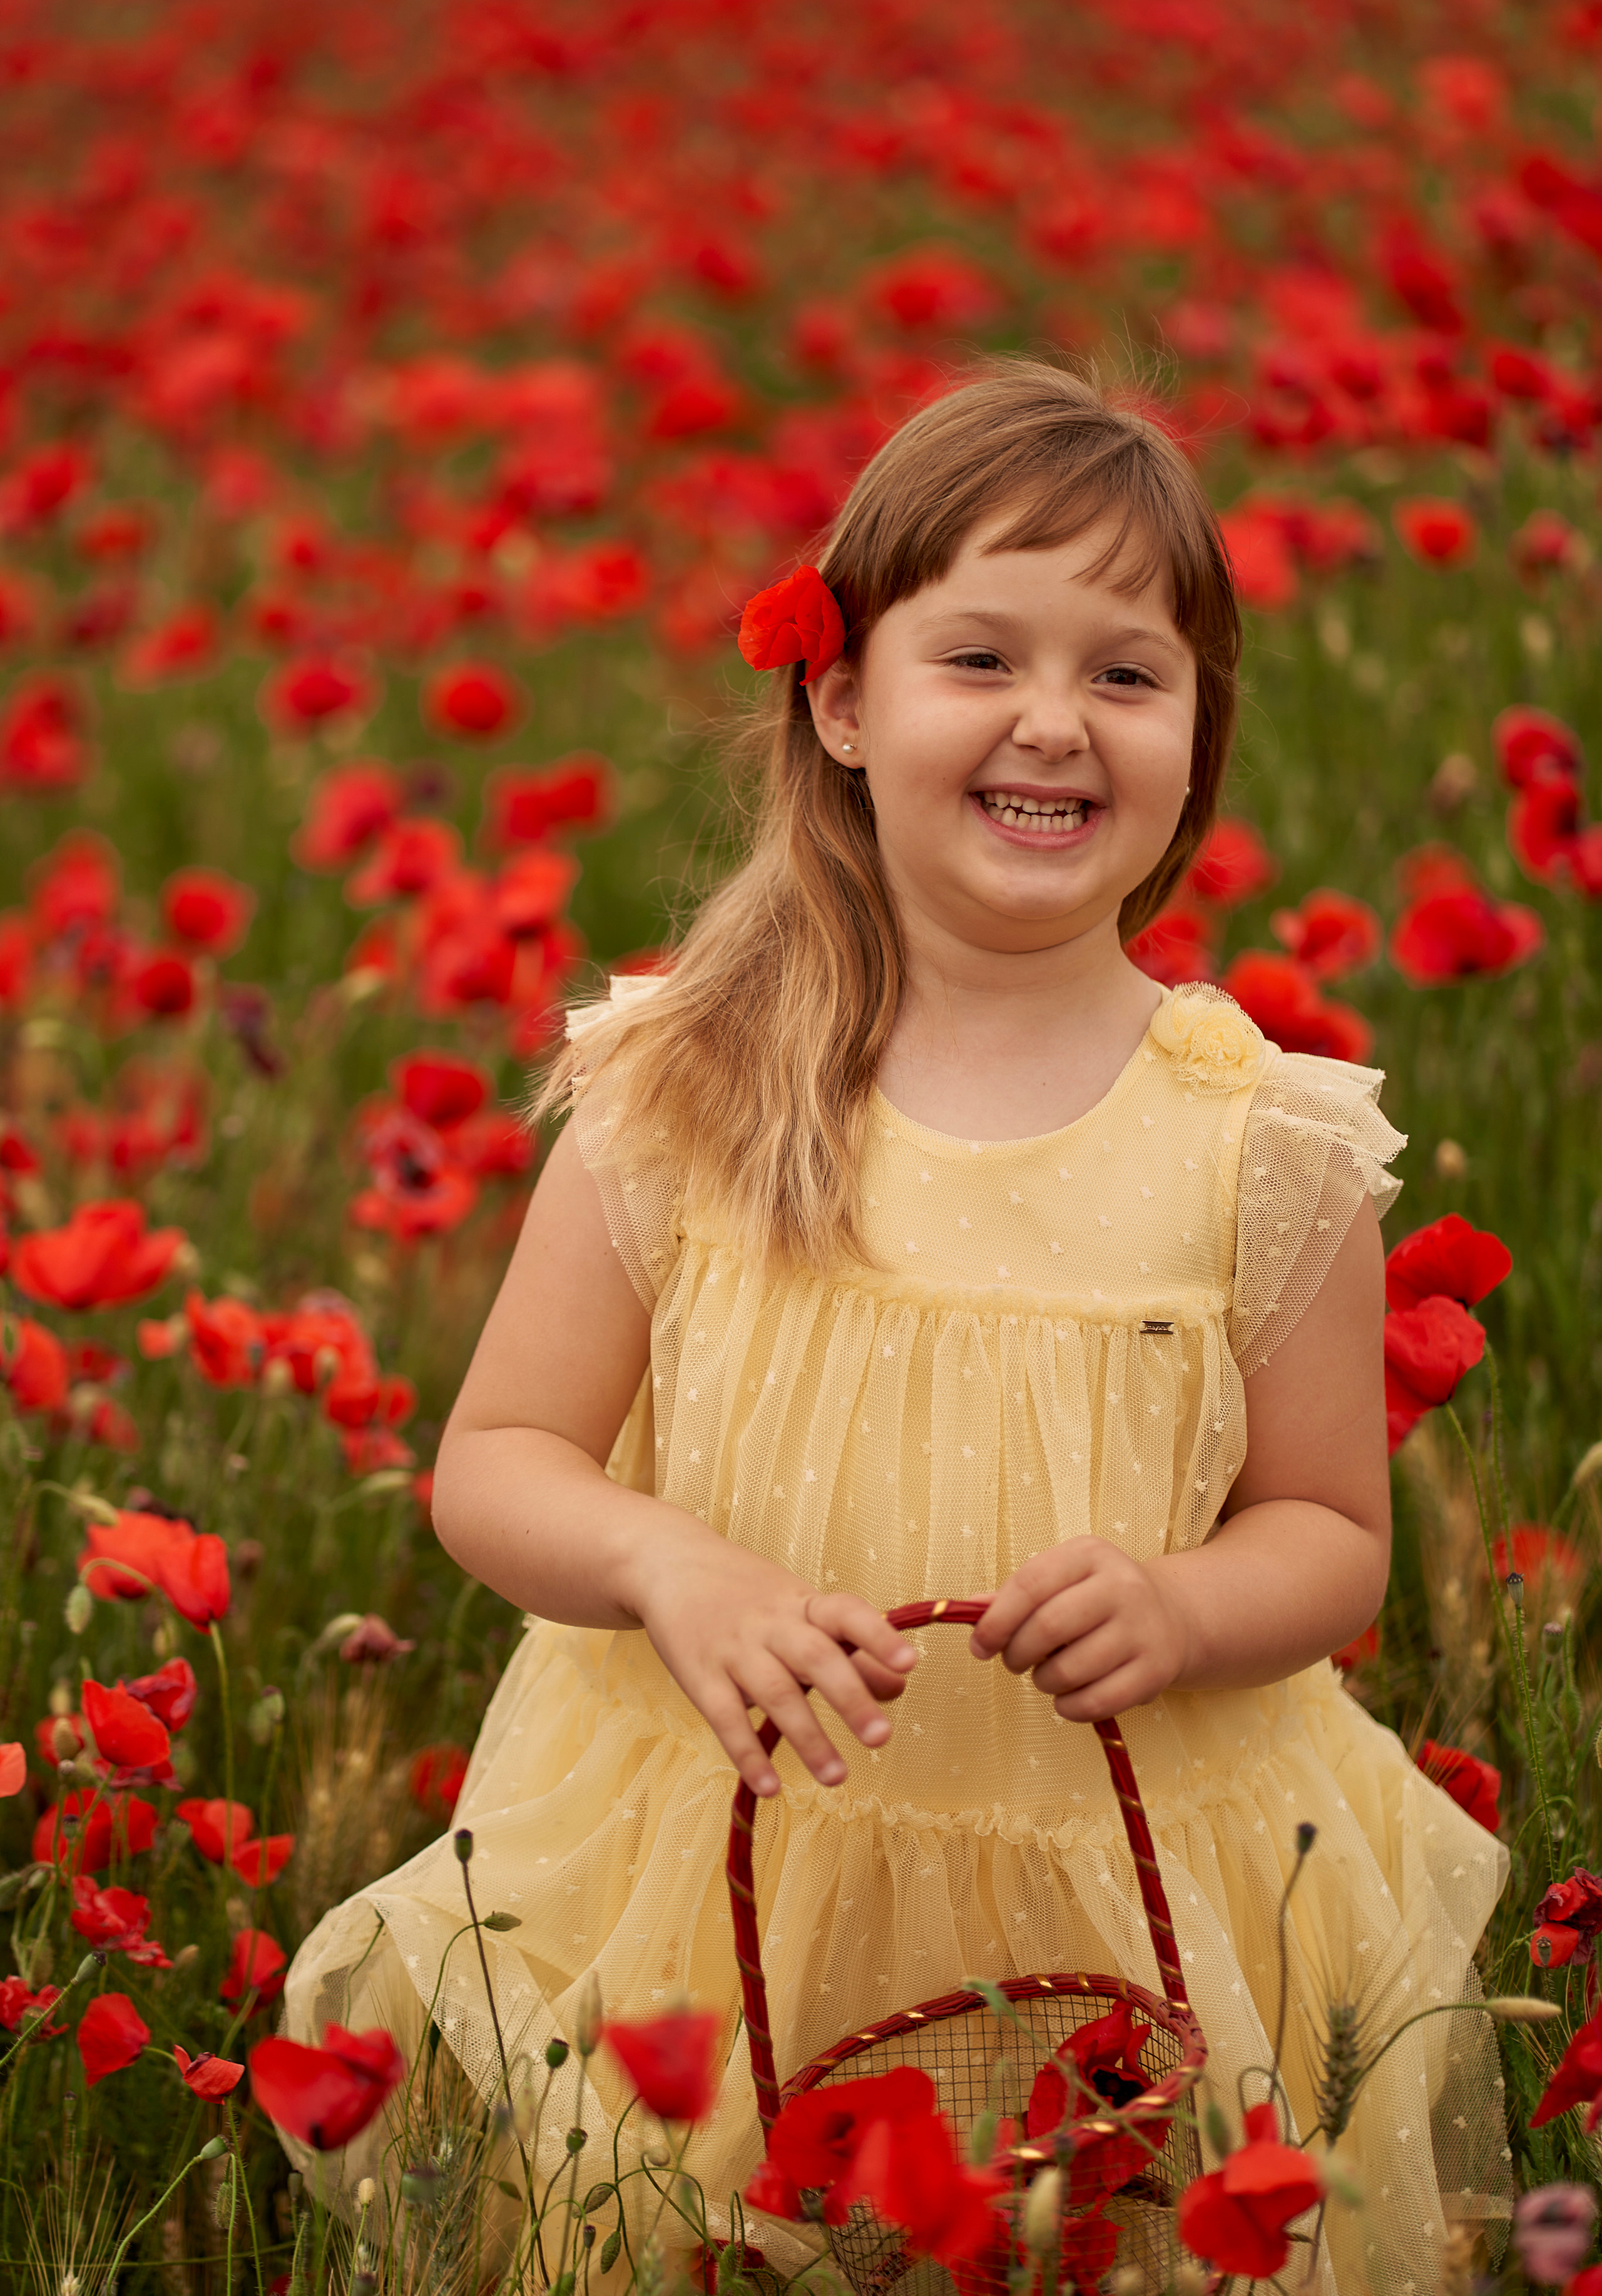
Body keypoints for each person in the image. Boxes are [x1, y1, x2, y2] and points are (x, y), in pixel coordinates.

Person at [280, 360, 1509, 2290]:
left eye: (1127, 673)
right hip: (726, 1871)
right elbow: (498, 1463)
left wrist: (1188, 1607)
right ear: (843, 701)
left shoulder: (1263, 1140)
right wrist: (667, 1565)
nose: (1055, 720)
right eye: (982, 658)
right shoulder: (687, 1089)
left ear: (1200, 732)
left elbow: (1334, 1535)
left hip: (1134, 1875)